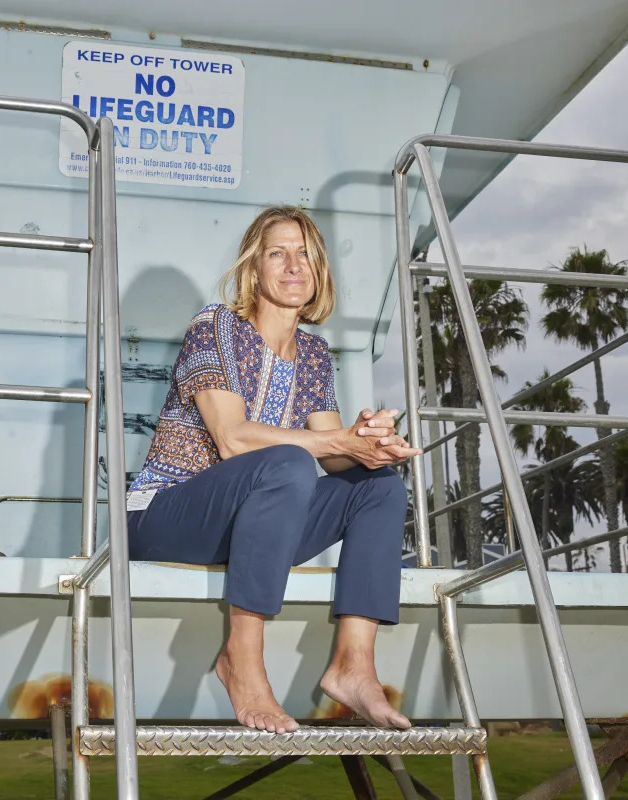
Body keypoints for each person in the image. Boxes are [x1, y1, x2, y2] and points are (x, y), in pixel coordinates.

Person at [127, 205, 420, 734]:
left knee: (378, 487)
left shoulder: (313, 353)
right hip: (166, 514)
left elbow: (333, 454)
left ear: (319, 269)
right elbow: (233, 438)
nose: (293, 265)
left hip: (256, 522)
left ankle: (353, 665)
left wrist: (367, 443)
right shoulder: (214, 326)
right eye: (277, 254)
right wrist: (336, 441)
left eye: (304, 254)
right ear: (253, 267)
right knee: (287, 463)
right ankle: (241, 660)